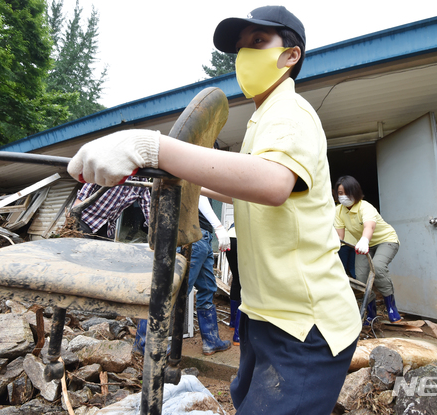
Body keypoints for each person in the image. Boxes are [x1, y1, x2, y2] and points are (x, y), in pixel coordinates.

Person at [67, 6, 361, 414]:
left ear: (291, 55)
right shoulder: (263, 119)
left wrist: (154, 146)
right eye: (241, 48)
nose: (245, 56)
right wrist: (155, 173)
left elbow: (273, 184)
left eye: (258, 42)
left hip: (306, 326)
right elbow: (242, 187)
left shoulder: (290, 113)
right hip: (264, 314)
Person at [334, 175, 402, 324]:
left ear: (355, 192)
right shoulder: (339, 211)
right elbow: (340, 236)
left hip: (385, 240)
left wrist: (364, 240)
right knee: (360, 275)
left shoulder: (365, 206)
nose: (343, 197)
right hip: (365, 245)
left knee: (377, 266)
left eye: (347, 192)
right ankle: (371, 313)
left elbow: (369, 226)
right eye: (340, 193)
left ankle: (391, 307)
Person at [188, 195, 232, 355]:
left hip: (203, 238)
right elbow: (198, 194)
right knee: (175, 293)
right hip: (193, 236)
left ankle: (211, 342)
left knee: (207, 289)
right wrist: (219, 226)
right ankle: (146, 342)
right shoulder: (193, 171)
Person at [72, 178, 150, 241]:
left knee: (105, 257)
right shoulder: (115, 167)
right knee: (80, 253)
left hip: (108, 226)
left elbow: (148, 206)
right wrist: (73, 215)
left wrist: (154, 228)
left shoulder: (142, 182)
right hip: (86, 219)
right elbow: (90, 184)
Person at [225, 223, 241, 346]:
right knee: (246, 284)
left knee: (236, 280)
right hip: (243, 237)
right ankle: (238, 334)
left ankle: (233, 323)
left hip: (230, 236)